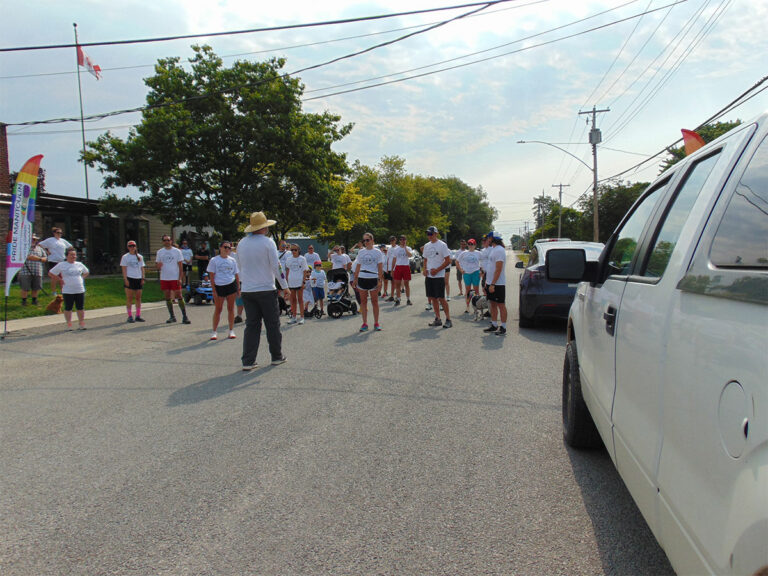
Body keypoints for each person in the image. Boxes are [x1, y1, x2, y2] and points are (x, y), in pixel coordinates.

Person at [237, 211, 289, 370]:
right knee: (272, 324)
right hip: (266, 288)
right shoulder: (267, 243)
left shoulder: (241, 243)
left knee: (251, 325)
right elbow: (276, 266)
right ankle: (276, 356)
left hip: (248, 289)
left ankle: (248, 360)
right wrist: (285, 286)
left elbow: (239, 266)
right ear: (263, 228)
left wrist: (242, 283)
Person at [48, 246, 89, 331]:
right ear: (67, 256)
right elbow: (51, 273)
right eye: (71, 255)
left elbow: (86, 272)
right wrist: (60, 280)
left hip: (79, 289)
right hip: (68, 290)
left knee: (80, 307)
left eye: (74, 255)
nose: (73, 256)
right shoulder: (62, 265)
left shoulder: (79, 264)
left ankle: (81, 323)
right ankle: (69, 324)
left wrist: (82, 278)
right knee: (68, 307)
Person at [206, 240, 240, 340]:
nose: (227, 249)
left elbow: (236, 274)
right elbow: (211, 276)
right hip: (219, 286)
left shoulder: (232, 260)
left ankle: (231, 330)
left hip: (231, 285)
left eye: (229, 248)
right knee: (218, 308)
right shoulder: (214, 260)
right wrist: (213, 290)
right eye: (225, 247)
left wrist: (238, 288)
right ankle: (214, 331)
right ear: (220, 248)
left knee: (230, 308)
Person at [351, 232, 384, 331]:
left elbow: (380, 267)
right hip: (362, 278)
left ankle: (376, 323)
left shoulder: (377, 252)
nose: (365, 242)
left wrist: (380, 280)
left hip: (373, 278)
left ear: (372, 240)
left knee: (375, 301)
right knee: (363, 302)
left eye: (367, 240)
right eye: (364, 240)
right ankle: (364, 323)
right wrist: (355, 279)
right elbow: (358, 265)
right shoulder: (361, 252)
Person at [422, 226, 453, 328]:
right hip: (430, 276)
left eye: (431, 234)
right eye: (428, 234)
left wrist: (437, 270)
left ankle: (448, 319)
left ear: (436, 234)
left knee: (441, 298)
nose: (429, 236)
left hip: (439, 276)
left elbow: (448, 261)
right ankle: (438, 318)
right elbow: (425, 259)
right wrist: (424, 269)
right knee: (432, 298)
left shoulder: (442, 245)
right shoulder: (426, 246)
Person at [156, 234, 190, 324]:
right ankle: (172, 316)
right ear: (162, 242)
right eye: (165, 240)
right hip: (164, 277)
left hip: (174, 277)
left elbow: (180, 266)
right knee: (167, 297)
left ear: (171, 241)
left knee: (179, 295)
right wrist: (158, 266)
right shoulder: (160, 252)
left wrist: (180, 278)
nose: (167, 242)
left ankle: (185, 316)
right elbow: (158, 265)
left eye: (168, 240)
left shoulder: (177, 251)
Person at [483, 231, 508, 336]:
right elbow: (490, 267)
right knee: (492, 304)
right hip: (490, 282)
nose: (487, 240)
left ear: (493, 238)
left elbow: (498, 269)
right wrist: (487, 283)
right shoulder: (493, 250)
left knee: (501, 305)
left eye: (488, 238)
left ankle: (503, 326)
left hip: (498, 284)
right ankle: (494, 324)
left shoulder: (499, 251)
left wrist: (493, 284)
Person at [120, 240, 146, 323]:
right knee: (129, 298)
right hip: (130, 278)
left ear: (136, 247)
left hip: (138, 278)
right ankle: (130, 315)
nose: (132, 248)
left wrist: (143, 278)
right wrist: (125, 279)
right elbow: (124, 269)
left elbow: (142, 268)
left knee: (138, 298)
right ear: (128, 247)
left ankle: (138, 315)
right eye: (130, 246)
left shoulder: (140, 257)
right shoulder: (125, 257)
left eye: (133, 246)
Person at [19, 234, 47, 306]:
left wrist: (38, 259)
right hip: (25, 271)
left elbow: (45, 258)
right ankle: (24, 301)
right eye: (31, 239)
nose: (33, 241)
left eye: (34, 239)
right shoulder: (23, 248)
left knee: (36, 287)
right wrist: (29, 257)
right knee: (25, 287)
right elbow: (21, 257)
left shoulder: (40, 249)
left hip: (37, 271)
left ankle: (34, 300)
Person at [284, 244, 308, 325]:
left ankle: (302, 317)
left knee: (300, 299)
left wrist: (303, 282)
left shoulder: (302, 259)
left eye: (295, 250)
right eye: (292, 250)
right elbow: (287, 270)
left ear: (298, 250)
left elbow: (305, 271)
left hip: (299, 281)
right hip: (291, 281)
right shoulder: (289, 259)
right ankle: (293, 317)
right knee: (293, 300)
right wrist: (286, 281)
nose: (294, 251)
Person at [457, 239, 481, 314]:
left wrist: (481, 270)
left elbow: (484, 260)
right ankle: (467, 306)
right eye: (469, 244)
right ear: (467, 245)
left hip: (475, 272)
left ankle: (477, 307)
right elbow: (457, 261)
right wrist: (461, 270)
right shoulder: (464, 253)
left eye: (472, 244)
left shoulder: (478, 253)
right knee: (468, 290)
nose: (471, 246)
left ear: (475, 245)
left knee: (476, 290)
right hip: (466, 273)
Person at [391, 234, 413, 306]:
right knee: (397, 284)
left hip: (406, 266)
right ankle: (398, 299)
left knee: (406, 284)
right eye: (401, 239)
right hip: (398, 267)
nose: (403, 241)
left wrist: (405, 247)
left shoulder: (408, 248)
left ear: (406, 240)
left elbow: (410, 255)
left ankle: (408, 299)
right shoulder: (396, 249)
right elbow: (394, 260)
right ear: (399, 241)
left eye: (404, 239)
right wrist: (392, 270)